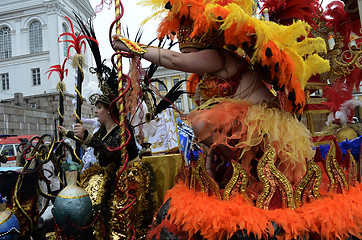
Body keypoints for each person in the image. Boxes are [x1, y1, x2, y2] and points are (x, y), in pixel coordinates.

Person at [111, 0, 361, 239]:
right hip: (249, 125)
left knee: (202, 124)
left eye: (188, 46)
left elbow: (173, 61)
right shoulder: (212, 65)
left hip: (262, 125)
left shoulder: (216, 56)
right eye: (182, 45)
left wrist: (136, 49)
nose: (182, 50)